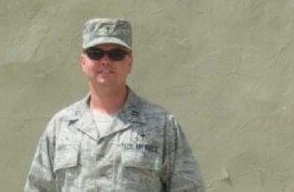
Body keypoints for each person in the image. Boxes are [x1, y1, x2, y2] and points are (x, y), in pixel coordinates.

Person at [25, 18, 205, 191]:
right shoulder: (61, 126)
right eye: (95, 53)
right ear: (83, 62)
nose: (105, 61)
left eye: (116, 54)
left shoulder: (162, 125)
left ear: (129, 63)